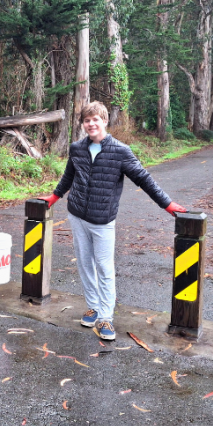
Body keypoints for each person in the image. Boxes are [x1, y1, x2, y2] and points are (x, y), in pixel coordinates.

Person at [38, 102, 187, 341]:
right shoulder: (77, 148)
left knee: (104, 268)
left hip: (102, 220)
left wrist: (166, 204)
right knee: (85, 263)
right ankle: (93, 306)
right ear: (83, 124)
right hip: (77, 215)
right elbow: (69, 176)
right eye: (87, 120)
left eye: (95, 119)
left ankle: (106, 317)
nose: (91, 124)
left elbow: (144, 179)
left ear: (104, 121)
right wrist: (55, 196)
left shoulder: (120, 151)